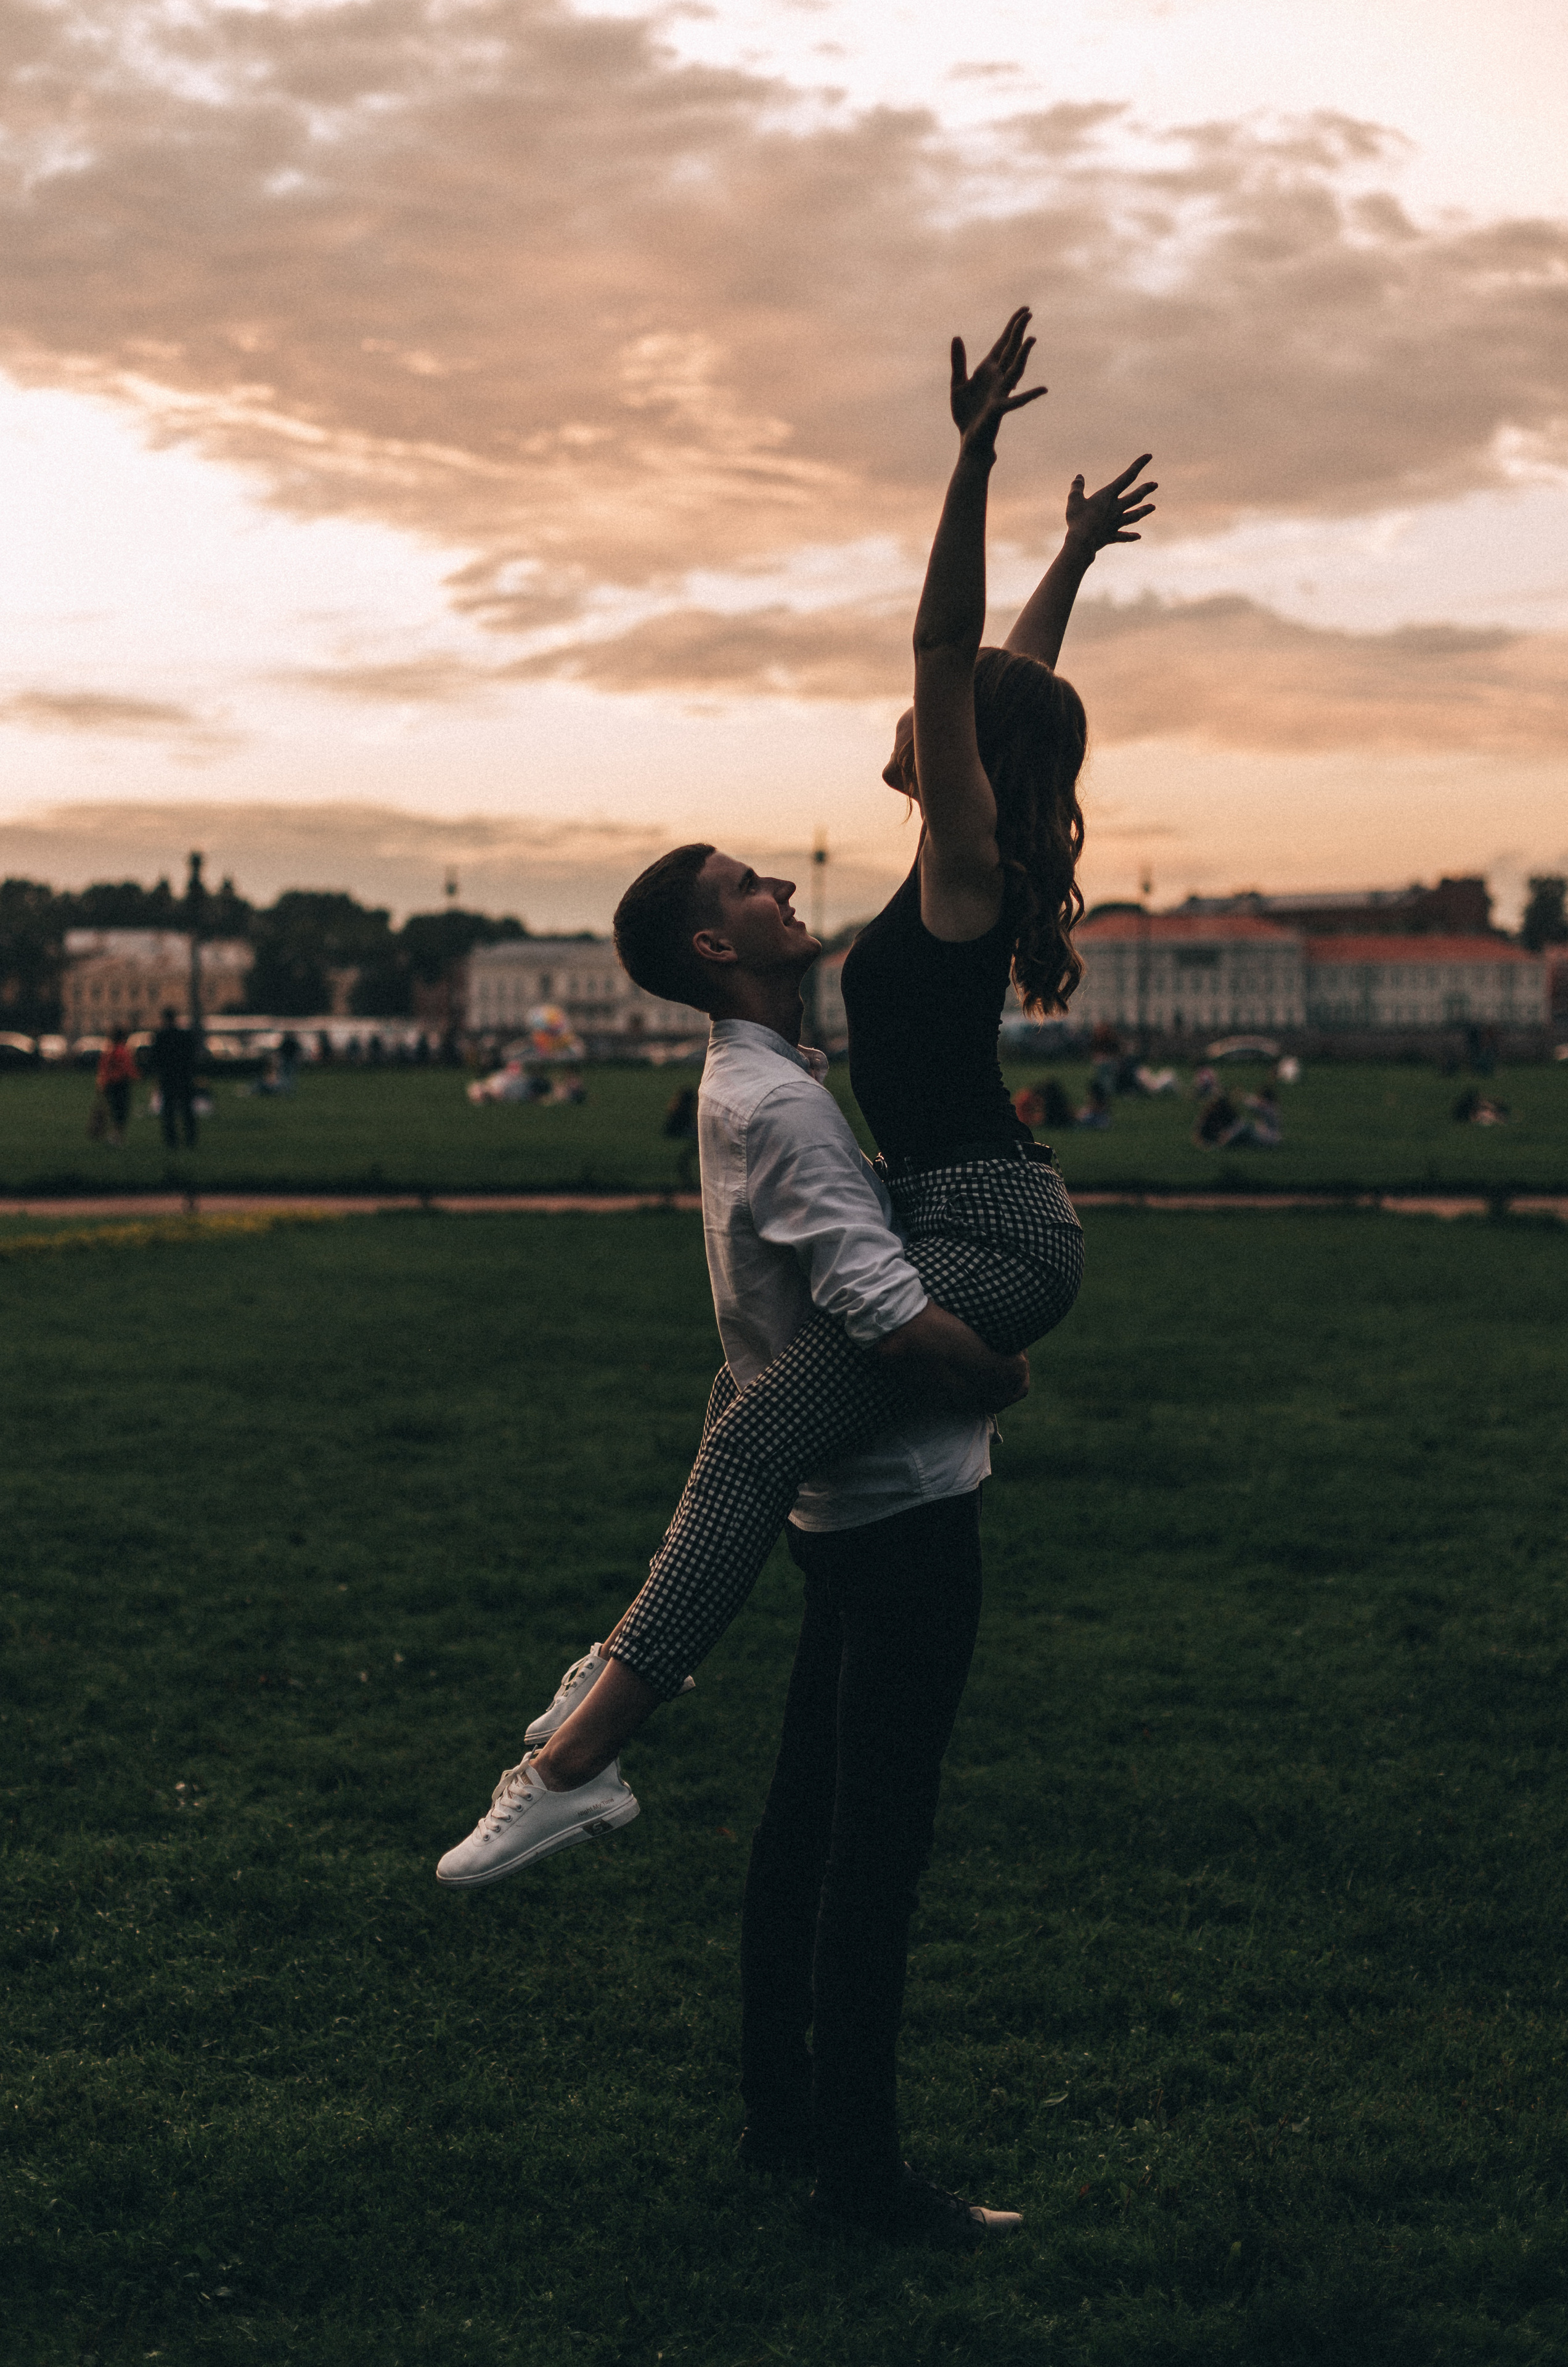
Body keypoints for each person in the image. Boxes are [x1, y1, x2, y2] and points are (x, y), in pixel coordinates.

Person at [438, 311, 1154, 2241]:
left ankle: (579, 1752)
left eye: (944, 715)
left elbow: (957, 659)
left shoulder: (961, 874)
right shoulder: (939, 871)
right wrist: (1070, 560)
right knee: (755, 1459)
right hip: (962, 1230)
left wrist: (974, 468)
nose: (906, 717)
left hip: (990, 1230)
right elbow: (998, 680)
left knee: (754, 1452)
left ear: (971, 761)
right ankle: (757, 2055)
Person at [149, 1006, 199, 1150]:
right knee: (187, 1109)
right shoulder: (185, 1035)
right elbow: (191, 1056)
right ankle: (190, 1139)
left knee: (168, 1110)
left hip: (168, 1077)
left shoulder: (160, 1036)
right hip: (184, 1076)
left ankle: (171, 1140)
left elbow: (155, 1058)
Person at [94, 1028, 137, 1146]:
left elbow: (103, 1068)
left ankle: (114, 1135)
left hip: (110, 1084)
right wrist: (135, 1076)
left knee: (114, 1110)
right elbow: (128, 1068)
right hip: (121, 1084)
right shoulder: (123, 1051)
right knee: (121, 1111)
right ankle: (117, 1136)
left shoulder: (109, 1051)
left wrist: (101, 1084)